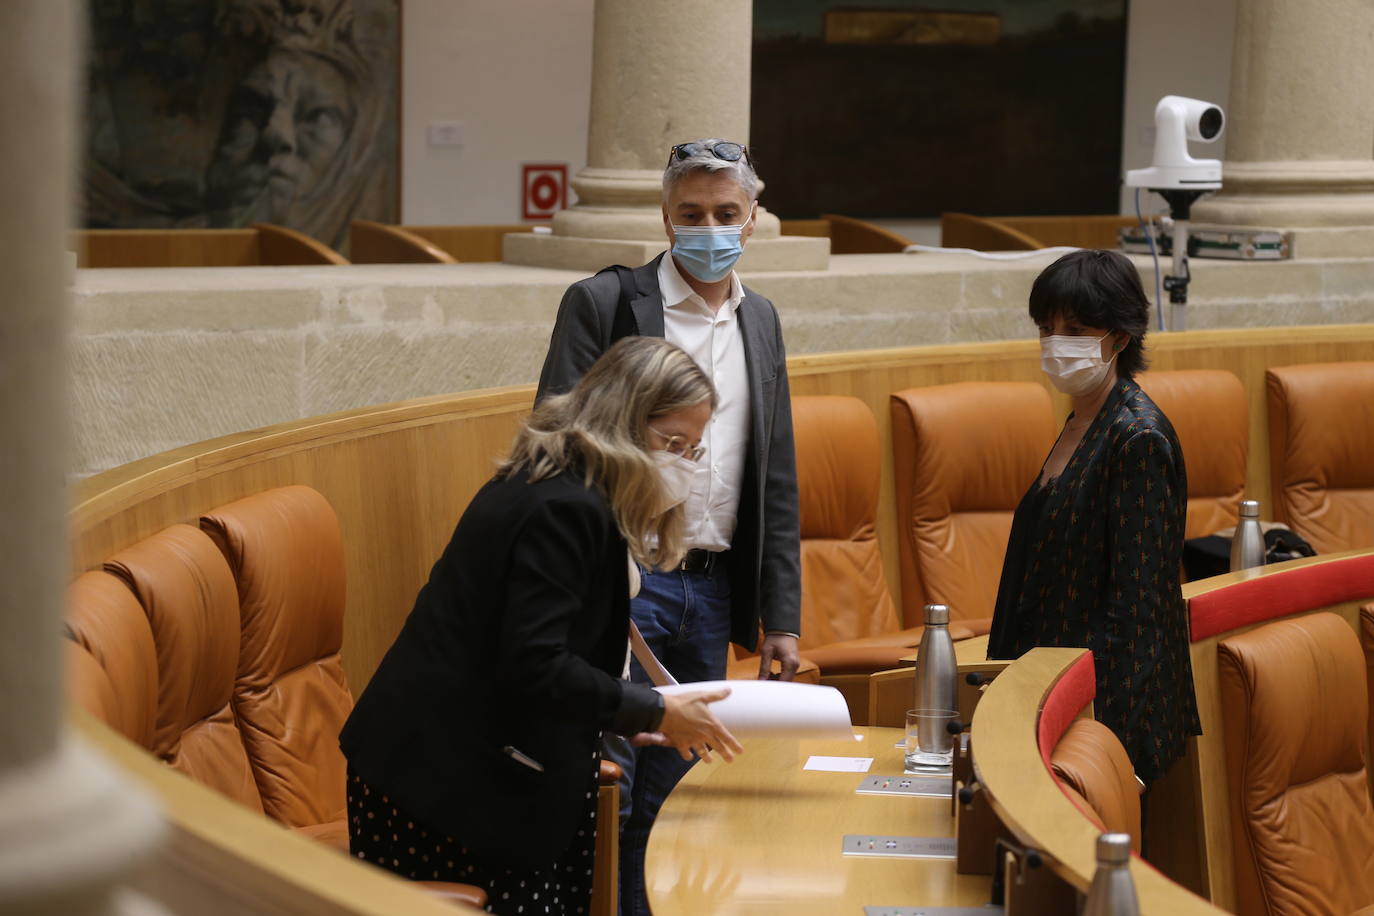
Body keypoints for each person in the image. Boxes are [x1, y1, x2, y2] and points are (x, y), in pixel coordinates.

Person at [340, 337, 743, 916]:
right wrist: (652, 710)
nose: (680, 463)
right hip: (444, 782)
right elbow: (535, 664)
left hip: (487, 767)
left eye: (692, 450)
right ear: (623, 420)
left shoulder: (565, 484)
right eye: (671, 443)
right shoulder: (563, 507)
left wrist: (633, 712)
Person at [536, 138, 802, 915]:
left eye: (726, 213)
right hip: (626, 581)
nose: (709, 228)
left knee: (678, 795)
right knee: (607, 787)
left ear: (753, 220)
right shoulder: (606, 304)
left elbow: (774, 469)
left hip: (712, 590)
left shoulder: (764, 321)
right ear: (665, 218)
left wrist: (781, 613)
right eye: (691, 214)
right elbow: (559, 439)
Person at [987, 248, 1201, 786]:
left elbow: (1140, 608)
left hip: (1101, 717)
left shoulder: (1137, 437)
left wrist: (1113, 750)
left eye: (1077, 328)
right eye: (1047, 327)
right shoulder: (1084, 419)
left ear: (1120, 337)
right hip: (1052, 690)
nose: (1056, 343)